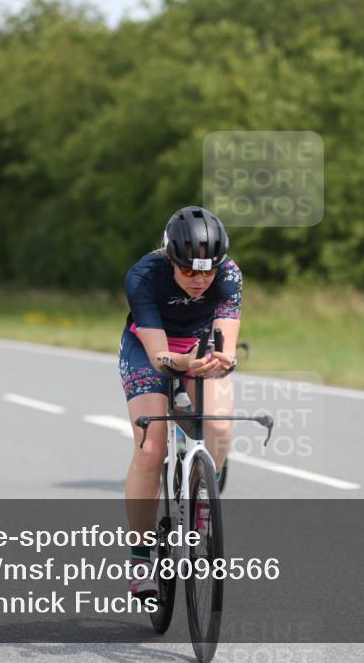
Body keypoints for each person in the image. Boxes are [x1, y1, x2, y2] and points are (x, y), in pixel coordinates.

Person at [119, 206, 241, 599]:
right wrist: (185, 365)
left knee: (219, 426)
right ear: (170, 258)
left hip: (200, 344)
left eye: (208, 271)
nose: (200, 280)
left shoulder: (230, 275)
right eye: (188, 270)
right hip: (149, 348)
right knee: (151, 448)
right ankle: (140, 558)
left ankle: (204, 495)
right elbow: (159, 357)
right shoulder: (144, 275)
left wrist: (222, 361)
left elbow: (226, 340)